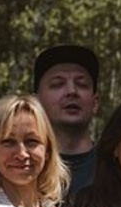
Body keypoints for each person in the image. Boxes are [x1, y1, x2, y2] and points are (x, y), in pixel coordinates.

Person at [33, 44, 101, 198]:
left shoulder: (118, 168)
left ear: (95, 103)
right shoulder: (19, 166)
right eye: (58, 84)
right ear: (36, 102)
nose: (72, 91)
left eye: (81, 84)